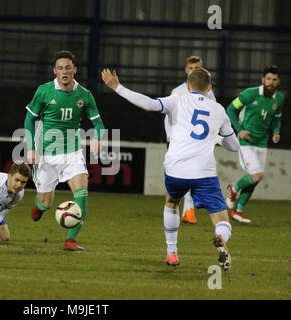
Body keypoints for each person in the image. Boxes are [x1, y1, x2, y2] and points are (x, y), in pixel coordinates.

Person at [102, 67, 240, 271]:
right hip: (204, 172)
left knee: (172, 201)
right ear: (210, 87)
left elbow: (149, 105)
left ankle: (172, 253)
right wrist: (216, 137)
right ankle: (220, 237)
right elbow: (234, 146)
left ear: (188, 85)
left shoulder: (177, 99)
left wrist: (118, 87)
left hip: (176, 169)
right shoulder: (219, 109)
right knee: (221, 219)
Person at [24, 50, 105, 251]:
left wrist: (97, 138)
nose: (64, 71)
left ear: (75, 70)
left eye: (68, 67)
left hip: (72, 153)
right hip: (46, 155)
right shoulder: (44, 91)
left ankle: (70, 240)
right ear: (55, 71)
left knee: (82, 194)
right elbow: (29, 119)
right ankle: (40, 206)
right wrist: (31, 148)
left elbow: (99, 124)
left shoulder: (84, 95)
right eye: (60, 68)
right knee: (45, 203)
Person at [225, 65, 283, 223]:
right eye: (268, 79)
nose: (271, 82)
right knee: (256, 175)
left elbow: (276, 118)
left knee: (256, 178)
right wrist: (240, 130)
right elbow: (230, 109)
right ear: (263, 80)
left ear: (278, 82)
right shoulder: (249, 94)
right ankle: (233, 188)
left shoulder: (279, 99)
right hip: (246, 141)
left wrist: (276, 132)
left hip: (262, 143)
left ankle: (238, 211)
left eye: (275, 79)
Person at [167, 56, 217, 224]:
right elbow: (168, 117)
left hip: (200, 142)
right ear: (186, 70)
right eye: (191, 68)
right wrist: (170, 137)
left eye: (198, 68)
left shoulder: (208, 92)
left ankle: (189, 210)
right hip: (180, 142)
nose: (194, 71)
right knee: (184, 176)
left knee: (193, 175)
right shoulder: (177, 92)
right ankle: (188, 209)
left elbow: (214, 115)